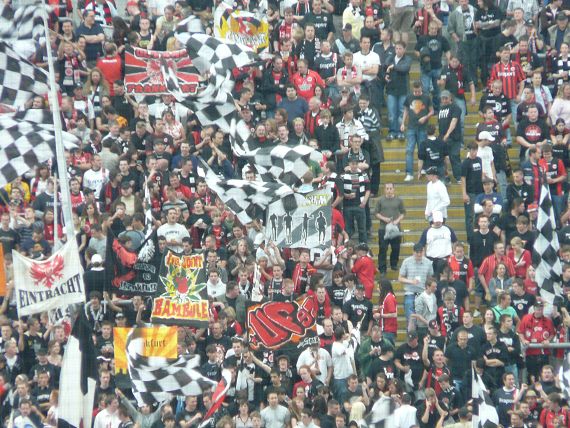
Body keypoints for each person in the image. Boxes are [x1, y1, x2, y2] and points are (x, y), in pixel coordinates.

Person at [374, 183, 406, 273]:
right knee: (383, 249)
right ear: (384, 190)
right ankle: (382, 268)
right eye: (387, 188)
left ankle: (394, 264)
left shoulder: (399, 200)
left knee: (396, 248)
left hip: (395, 228)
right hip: (383, 228)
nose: (389, 190)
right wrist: (384, 219)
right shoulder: (380, 200)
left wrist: (397, 220)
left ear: (393, 189)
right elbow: (376, 213)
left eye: (390, 188)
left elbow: (403, 213)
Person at [399, 243, 434, 322]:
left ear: (423, 251)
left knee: (424, 317)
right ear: (413, 252)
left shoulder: (428, 262)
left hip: (423, 292)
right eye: (417, 252)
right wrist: (411, 281)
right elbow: (400, 278)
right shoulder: (406, 262)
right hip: (410, 292)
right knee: (411, 317)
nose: (419, 254)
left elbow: (430, 278)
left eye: (421, 252)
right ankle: (411, 329)